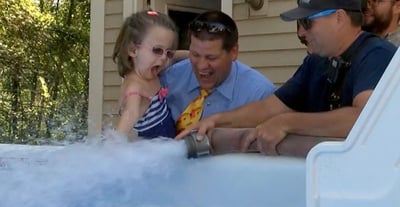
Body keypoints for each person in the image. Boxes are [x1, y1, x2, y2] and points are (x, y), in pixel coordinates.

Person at [176, 0, 397, 157]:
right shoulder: (316, 62)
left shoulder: (378, 55)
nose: (301, 32)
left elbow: (364, 119)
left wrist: (287, 123)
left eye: (307, 22)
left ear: (339, 17)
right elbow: (269, 109)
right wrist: (214, 121)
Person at [160, 10, 276, 134]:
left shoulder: (261, 95)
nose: (201, 66)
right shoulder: (171, 78)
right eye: (195, 55)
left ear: (233, 52)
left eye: (211, 58)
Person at [112, 10, 180, 140]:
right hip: (152, 150)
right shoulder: (135, 87)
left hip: (168, 143)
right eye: (158, 50)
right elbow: (130, 113)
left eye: (168, 52)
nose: (164, 58)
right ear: (133, 50)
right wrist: (113, 145)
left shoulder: (151, 70)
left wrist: (194, 56)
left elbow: (174, 57)